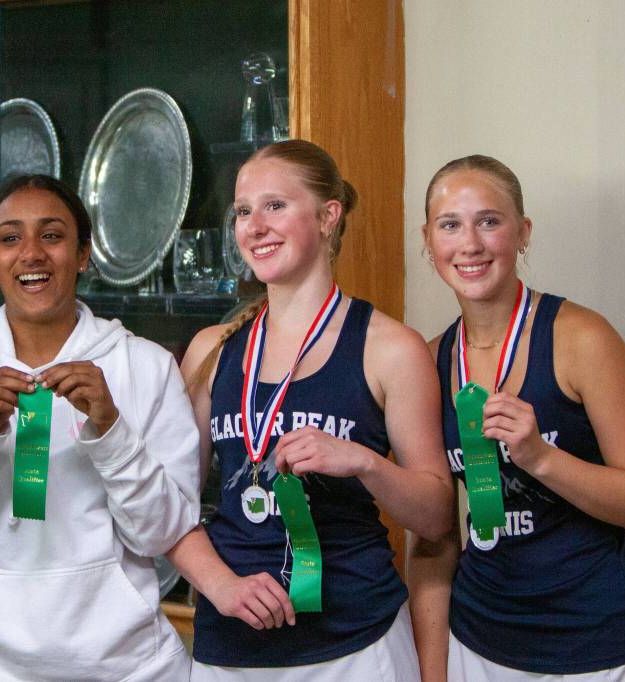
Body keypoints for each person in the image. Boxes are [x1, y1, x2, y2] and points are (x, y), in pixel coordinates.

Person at [167, 139, 453, 680]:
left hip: (355, 643)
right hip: (231, 645)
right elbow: (166, 504)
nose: (254, 226)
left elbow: (437, 517)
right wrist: (221, 587)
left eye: (275, 205)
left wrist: (365, 463)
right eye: (243, 212)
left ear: (327, 216)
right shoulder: (212, 349)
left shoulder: (390, 348)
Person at [0, 174, 200, 680]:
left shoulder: (145, 367)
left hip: (127, 667)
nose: (31, 253)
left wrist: (111, 432)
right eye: (10, 238)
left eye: (52, 235)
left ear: (83, 255)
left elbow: (163, 535)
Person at [408, 155, 625, 681]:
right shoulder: (429, 360)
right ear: (429, 240)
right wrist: (434, 670)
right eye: (450, 225)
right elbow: (433, 538)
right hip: (478, 644)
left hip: (599, 646)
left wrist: (541, 457)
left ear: (523, 232)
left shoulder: (582, 339)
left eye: (490, 221)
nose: (470, 244)